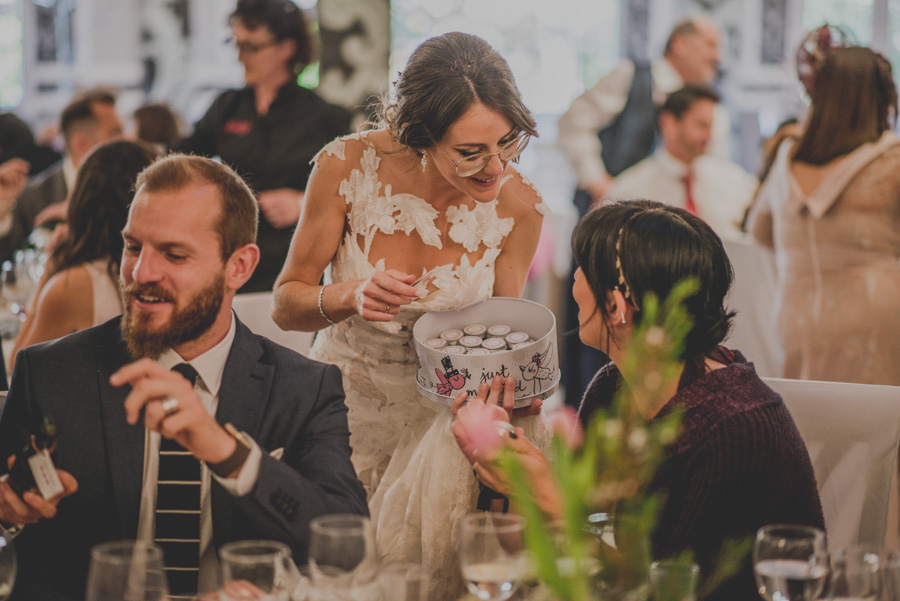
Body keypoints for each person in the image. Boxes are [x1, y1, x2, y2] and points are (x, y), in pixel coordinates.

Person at [0, 154, 367, 601]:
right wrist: (9, 515)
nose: (141, 273)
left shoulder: (304, 389)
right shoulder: (52, 375)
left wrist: (227, 452)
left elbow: (346, 550)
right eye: (133, 247)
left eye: (173, 254)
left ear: (239, 267)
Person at [272, 32, 548, 600]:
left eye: (507, 142)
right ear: (420, 137)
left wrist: (512, 386)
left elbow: (505, 334)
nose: (496, 167)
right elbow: (285, 303)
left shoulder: (520, 206)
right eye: (470, 152)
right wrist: (348, 296)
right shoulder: (347, 168)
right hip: (342, 415)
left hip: (442, 433)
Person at [453, 200, 825, 601]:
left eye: (583, 267)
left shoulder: (738, 430)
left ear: (615, 306)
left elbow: (670, 591)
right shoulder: (612, 389)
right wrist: (503, 469)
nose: (575, 277)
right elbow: (570, 564)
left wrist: (556, 501)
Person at [557, 16, 729, 406]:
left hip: (658, 238)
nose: (717, 57)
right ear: (680, 45)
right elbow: (573, 124)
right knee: (596, 321)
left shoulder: (702, 99)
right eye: (710, 45)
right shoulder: (629, 77)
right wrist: (599, 181)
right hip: (610, 221)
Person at [748, 47, 900, 385]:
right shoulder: (893, 162)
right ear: (879, 98)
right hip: (878, 320)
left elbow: (758, 231)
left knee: (811, 427)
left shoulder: (787, 158)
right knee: (877, 430)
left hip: (798, 320)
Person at [176, 0, 351, 293]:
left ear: (287, 48)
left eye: (252, 47)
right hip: (232, 255)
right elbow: (181, 161)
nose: (241, 57)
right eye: (237, 45)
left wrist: (300, 202)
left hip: (294, 263)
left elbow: (352, 194)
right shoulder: (227, 107)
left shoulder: (324, 117)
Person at [10, 140, 158, 362]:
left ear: (83, 199)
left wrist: (52, 268)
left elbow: (19, 364)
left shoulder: (74, 285)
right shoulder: (156, 271)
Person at [607, 86, 757, 240]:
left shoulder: (734, 180)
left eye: (711, 126)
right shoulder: (628, 192)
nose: (709, 137)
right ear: (669, 123)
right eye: (701, 125)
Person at [0, 89, 125, 262]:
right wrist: (2, 208)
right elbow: (8, 262)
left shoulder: (125, 190)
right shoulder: (33, 196)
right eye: (115, 133)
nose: (126, 140)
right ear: (81, 145)